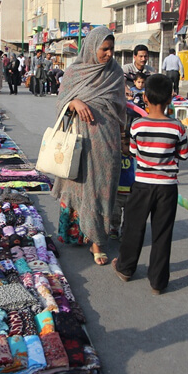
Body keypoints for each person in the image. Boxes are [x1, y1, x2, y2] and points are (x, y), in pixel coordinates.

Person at [52, 26, 125, 266]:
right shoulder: (75, 71)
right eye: (104, 49)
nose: (109, 54)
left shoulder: (114, 72)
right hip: (80, 141)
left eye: (111, 49)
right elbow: (61, 101)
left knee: (102, 188)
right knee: (83, 185)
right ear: (92, 47)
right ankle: (87, 238)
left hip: (107, 140)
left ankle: (99, 239)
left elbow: (120, 105)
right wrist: (74, 102)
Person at [111, 74, 188, 295]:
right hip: (167, 187)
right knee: (162, 233)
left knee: (134, 227)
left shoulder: (137, 124)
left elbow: (134, 152)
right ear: (170, 99)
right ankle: (158, 282)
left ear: (144, 97)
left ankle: (125, 268)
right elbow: (183, 155)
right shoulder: (177, 127)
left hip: (142, 184)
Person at [110, 132, 135, 240]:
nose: (129, 147)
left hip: (131, 192)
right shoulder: (117, 156)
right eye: (126, 144)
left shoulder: (134, 157)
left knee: (129, 215)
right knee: (115, 214)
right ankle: (114, 229)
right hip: (117, 192)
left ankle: (125, 232)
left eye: (131, 145)